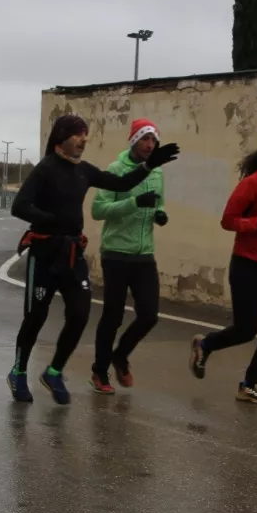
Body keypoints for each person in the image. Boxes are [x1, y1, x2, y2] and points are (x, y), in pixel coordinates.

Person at [9, 114, 179, 405]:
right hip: (45, 252)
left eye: (85, 134)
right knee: (36, 316)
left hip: (73, 253)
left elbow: (121, 183)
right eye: (78, 134)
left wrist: (149, 166)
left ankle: (54, 371)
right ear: (61, 136)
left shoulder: (84, 170)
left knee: (80, 314)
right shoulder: (45, 168)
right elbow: (20, 206)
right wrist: (51, 220)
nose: (84, 139)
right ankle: (19, 371)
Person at [188, 120, 257, 406]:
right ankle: (206, 344)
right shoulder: (252, 184)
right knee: (246, 330)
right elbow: (228, 221)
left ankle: (248, 385)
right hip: (247, 265)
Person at [88, 119, 169, 394]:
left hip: (144, 252)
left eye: (154, 140)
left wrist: (160, 213)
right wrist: (134, 203)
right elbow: (98, 210)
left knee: (149, 315)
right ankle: (100, 371)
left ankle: (120, 355)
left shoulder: (157, 171)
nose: (150, 145)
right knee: (113, 316)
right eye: (145, 139)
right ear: (134, 140)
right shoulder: (116, 169)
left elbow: (159, 201)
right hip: (116, 252)